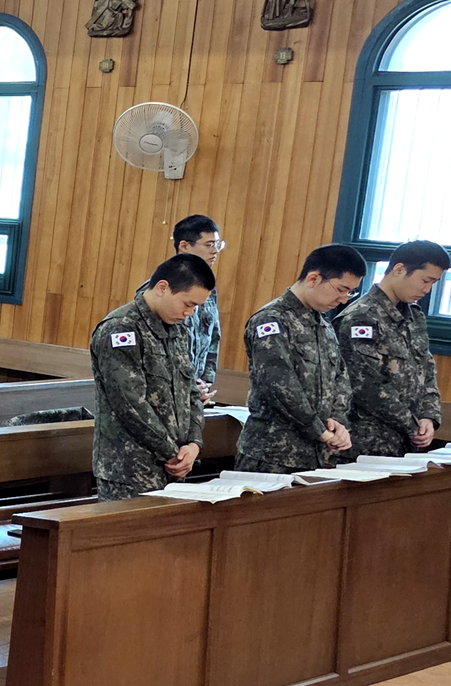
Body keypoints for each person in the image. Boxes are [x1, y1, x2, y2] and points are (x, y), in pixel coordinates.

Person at [89, 254, 214, 499]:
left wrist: (194, 445)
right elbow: (129, 404)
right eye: (187, 303)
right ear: (162, 287)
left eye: (196, 307)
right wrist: (172, 453)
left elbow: (191, 392)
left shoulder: (177, 329)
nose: (190, 313)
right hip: (130, 470)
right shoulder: (122, 328)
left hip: (175, 465)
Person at [236, 244, 366, 474]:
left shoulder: (322, 324)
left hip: (314, 453)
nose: (344, 299)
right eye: (341, 289)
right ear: (313, 278)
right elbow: (279, 385)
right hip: (271, 454)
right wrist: (319, 430)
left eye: (350, 292)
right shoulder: (272, 320)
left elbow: (340, 378)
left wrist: (337, 422)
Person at [335, 238, 446, 458]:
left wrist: (428, 417)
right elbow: (366, 386)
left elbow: (426, 370)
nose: (427, 289)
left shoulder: (414, 317)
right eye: (425, 280)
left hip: (407, 442)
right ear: (399, 269)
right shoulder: (362, 318)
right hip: (368, 443)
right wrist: (412, 424)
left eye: (433, 283)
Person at [169, 214, 225, 402]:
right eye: (209, 245)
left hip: (197, 393)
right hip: (170, 391)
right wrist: (188, 386)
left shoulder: (208, 288)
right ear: (184, 246)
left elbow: (213, 337)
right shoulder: (165, 288)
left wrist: (205, 383)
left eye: (218, 245)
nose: (215, 251)